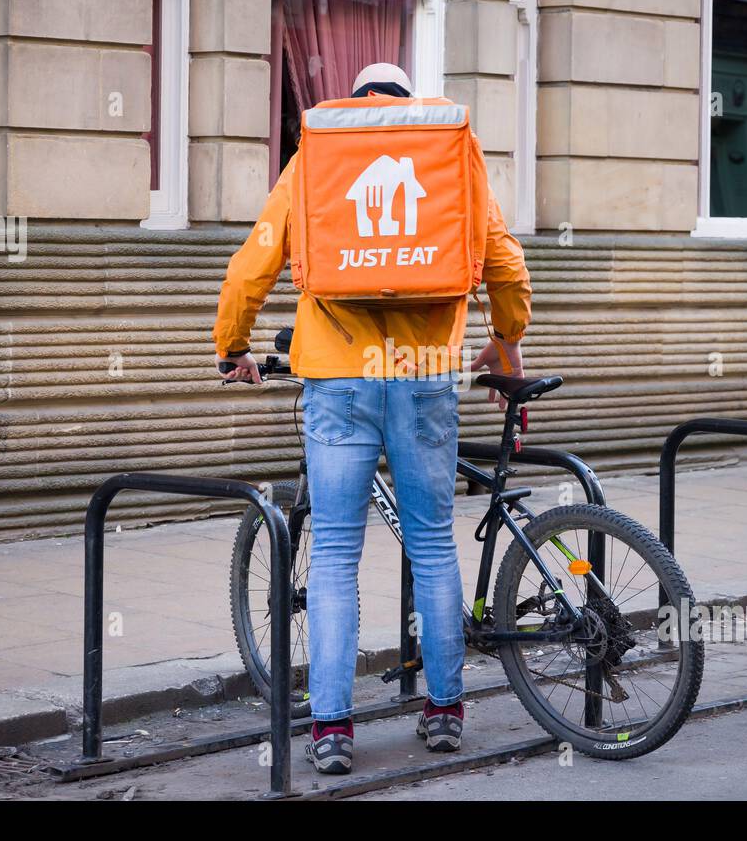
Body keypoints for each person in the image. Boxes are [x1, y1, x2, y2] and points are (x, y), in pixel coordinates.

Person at [213, 63, 531, 774]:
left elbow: (251, 268)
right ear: (405, 100)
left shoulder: (318, 157)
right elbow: (507, 266)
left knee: (331, 555)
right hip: (422, 375)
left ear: (356, 104)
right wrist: (506, 340)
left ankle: (331, 729)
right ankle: (445, 712)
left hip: (338, 375)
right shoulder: (451, 154)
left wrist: (231, 342)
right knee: (432, 546)